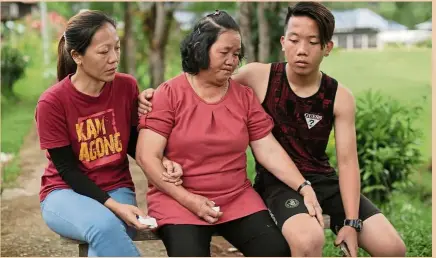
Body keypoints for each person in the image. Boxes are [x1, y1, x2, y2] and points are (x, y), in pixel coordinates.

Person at [139, 3, 407, 257]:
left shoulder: (331, 96)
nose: (232, 61)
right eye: (294, 40)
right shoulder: (252, 78)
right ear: (283, 42)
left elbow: (339, 161)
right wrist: (152, 98)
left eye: (312, 42)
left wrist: (345, 216)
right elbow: (195, 86)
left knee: (388, 249)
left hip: (286, 187)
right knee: (307, 240)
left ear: (327, 47)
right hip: (239, 189)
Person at [135, 10, 324, 257]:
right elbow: (146, 156)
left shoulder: (243, 96)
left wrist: (303, 186)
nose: (232, 61)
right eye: (224, 53)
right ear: (200, 50)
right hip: (178, 201)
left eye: (236, 54)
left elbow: (267, 148)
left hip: (236, 198)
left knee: (275, 250)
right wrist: (190, 200)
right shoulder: (168, 94)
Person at [35, 10, 181, 257]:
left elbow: (133, 142)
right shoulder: (52, 103)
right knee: (104, 225)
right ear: (77, 56)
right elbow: (67, 170)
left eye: (117, 48)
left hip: (117, 187)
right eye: (104, 52)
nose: (114, 58)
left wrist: (162, 160)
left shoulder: (126, 87)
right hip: (64, 193)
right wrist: (117, 208)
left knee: (105, 234)